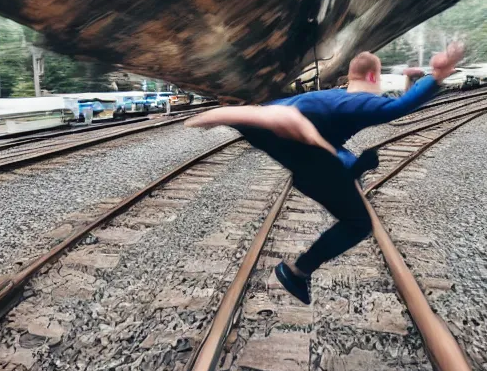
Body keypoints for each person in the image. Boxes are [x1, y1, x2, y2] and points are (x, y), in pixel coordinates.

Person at [186, 42, 465, 304]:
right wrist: (437, 76)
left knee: (340, 158)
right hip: (310, 161)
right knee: (358, 224)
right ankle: (297, 272)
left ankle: (352, 168)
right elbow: (397, 108)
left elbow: (284, 115)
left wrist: (232, 117)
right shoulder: (358, 102)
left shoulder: (327, 97)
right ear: (371, 78)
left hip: (287, 141)